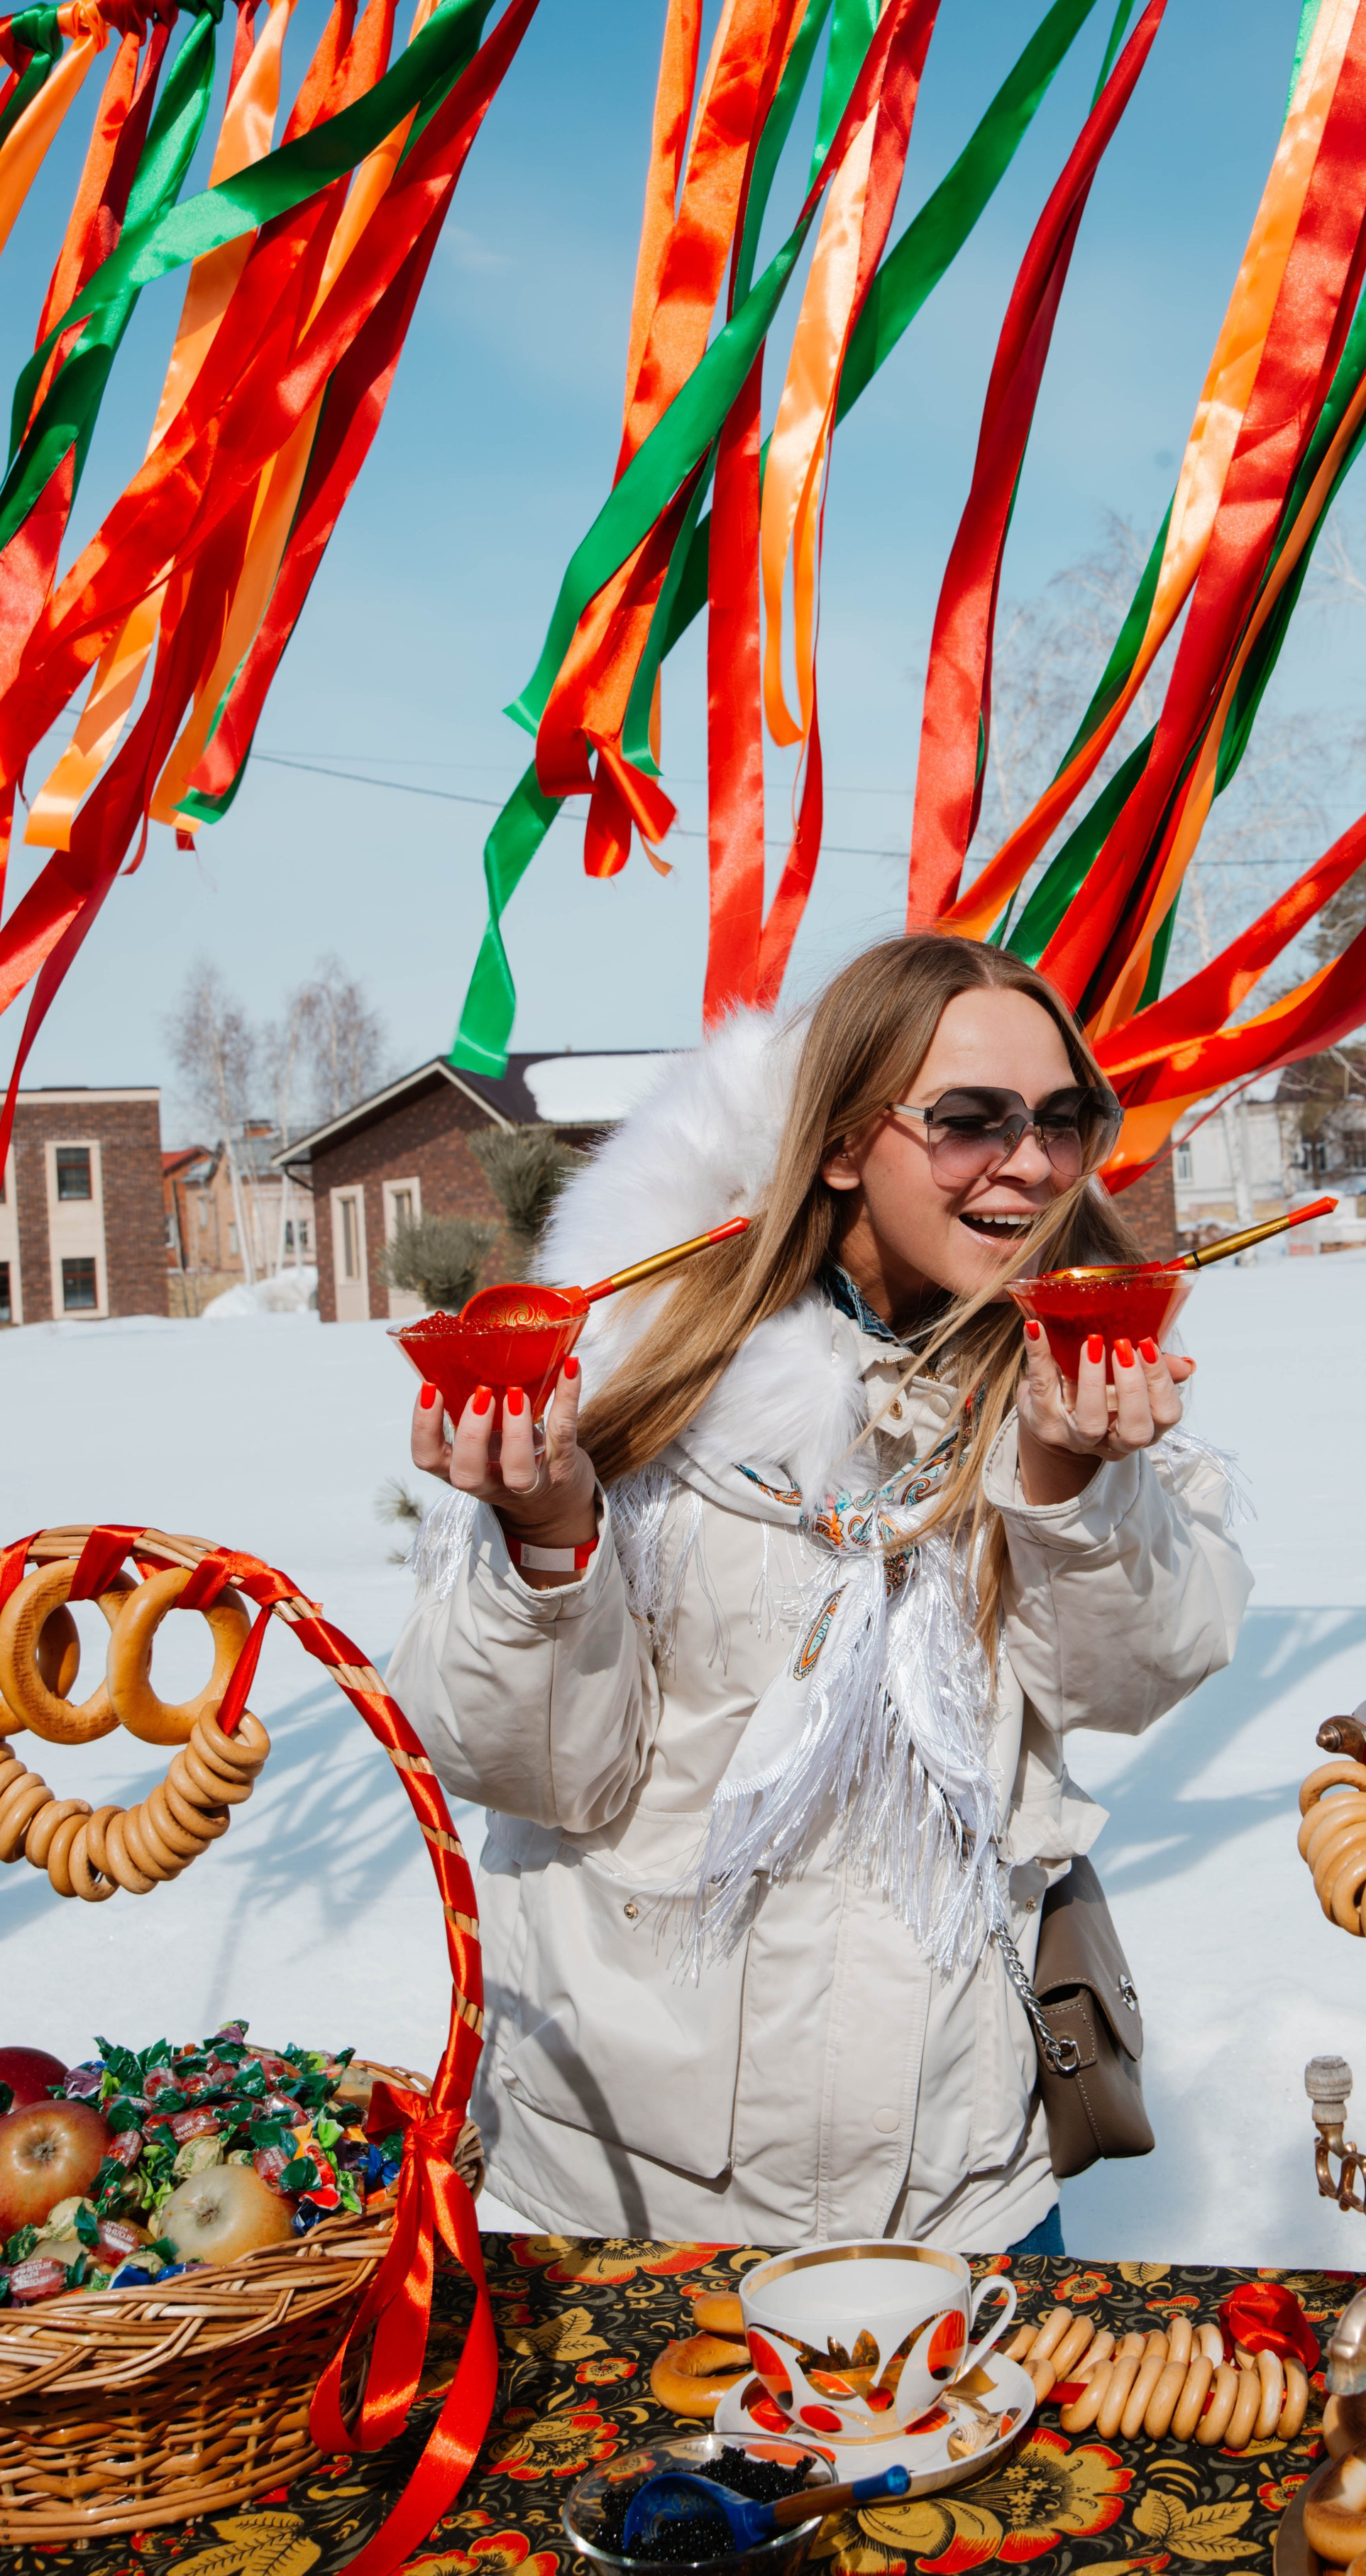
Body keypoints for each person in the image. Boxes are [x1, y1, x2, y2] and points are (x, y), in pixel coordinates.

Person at [386, 934, 1251, 2251]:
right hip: (641, 2205)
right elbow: (532, 1771)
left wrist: (1070, 1491)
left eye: (1063, 1120)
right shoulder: (629, 1382)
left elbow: (1125, 1682)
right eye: (972, 1121)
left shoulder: (1077, 1384)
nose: (1032, 1163)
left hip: (967, 2185)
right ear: (844, 1140)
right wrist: (547, 1535)